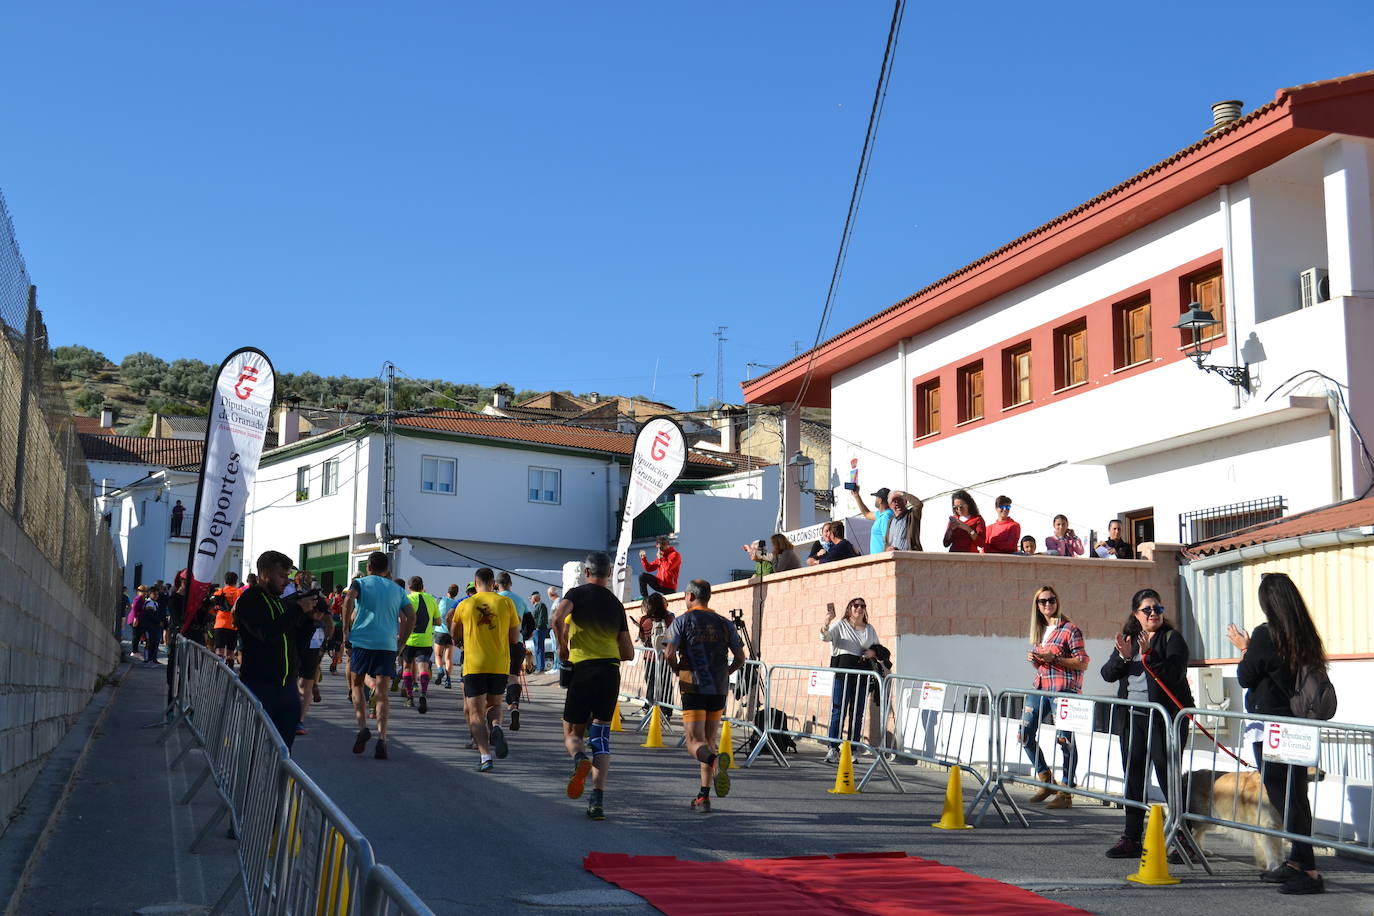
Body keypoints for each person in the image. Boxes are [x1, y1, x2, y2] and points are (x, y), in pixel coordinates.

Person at [1228, 573, 1328, 895]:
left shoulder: (1265, 635)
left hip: (1272, 728)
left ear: (1267, 603)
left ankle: (1308, 869)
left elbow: (1245, 676)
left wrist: (1245, 648)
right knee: (1296, 795)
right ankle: (1298, 862)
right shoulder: (1303, 634)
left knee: (1285, 798)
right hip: (1299, 725)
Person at [1100, 588, 1193, 859]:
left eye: (1158, 609)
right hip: (1133, 718)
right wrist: (1125, 656)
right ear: (1135, 614)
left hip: (1164, 719)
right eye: (1147, 610)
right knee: (1134, 777)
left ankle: (1186, 839)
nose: (1154, 614)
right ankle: (1131, 838)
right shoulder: (1129, 640)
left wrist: (1150, 654)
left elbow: (1174, 676)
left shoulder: (1171, 639)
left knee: (1169, 779)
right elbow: (1107, 674)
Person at [554, 551, 634, 820]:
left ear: (586, 572)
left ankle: (579, 760)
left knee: (572, 734)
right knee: (600, 738)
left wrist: (563, 647)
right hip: (610, 672)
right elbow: (628, 652)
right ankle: (597, 801)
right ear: (609, 574)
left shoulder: (576, 594)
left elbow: (556, 619)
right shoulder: (616, 604)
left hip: (583, 670)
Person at [234, 550, 333, 751]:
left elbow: (295, 643)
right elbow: (267, 634)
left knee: (283, 752)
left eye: (288, 576)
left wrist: (310, 621)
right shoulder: (250, 600)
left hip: (287, 687)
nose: (287, 581)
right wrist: (298, 610)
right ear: (264, 574)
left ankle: (275, 783)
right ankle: (251, 781)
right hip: (261, 687)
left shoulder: (280, 603)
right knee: (253, 749)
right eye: (282, 575)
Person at [663, 579, 745, 811]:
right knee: (708, 741)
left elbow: (669, 653)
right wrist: (725, 673)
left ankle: (714, 761)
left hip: (694, 685)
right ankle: (704, 795)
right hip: (718, 687)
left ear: (690, 596)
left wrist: (677, 669)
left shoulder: (681, 621)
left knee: (693, 742)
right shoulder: (724, 623)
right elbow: (740, 659)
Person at [1019, 586, 1089, 809]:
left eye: (1051, 600)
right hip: (1040, 687)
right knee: (1024, 734)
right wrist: (1036, 660)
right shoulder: (1039, 631)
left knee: (1064, 739)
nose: (1047, 604)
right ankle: (1046, 780)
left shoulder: (1070, 630)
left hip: (1064, 690)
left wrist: (1054, 658)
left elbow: (1083, 661)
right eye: (1042, 602)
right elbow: (1043, 666)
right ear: (1037, 606)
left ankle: (1066, 791)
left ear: (1057, 602)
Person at [344, 551, 415, 760]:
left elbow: (348, 598)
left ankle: (363, 726)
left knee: (356, 684)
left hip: (362, 641)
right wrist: (401, 643)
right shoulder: (397, 589)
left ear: (369, 566)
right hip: (387, 644)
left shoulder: (360, 583)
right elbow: (411, 616)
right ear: (387, 569)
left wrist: (346, 629)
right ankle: (382, 738)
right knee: (383, 693)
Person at [449, 568, 520, 771]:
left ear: (475, 582)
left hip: (474, 664)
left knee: (475, 713)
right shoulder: (507, 603)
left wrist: (463, 637)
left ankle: (485, 757)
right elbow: (514, 638)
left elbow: (454, 632)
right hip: (499, 663)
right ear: (493, 583)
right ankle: (496, 726)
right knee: (495, 705)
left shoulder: (465, 604)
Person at [820, 598, 879, 763]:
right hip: (843, 672)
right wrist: (827, 621)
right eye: (856, 605)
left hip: (862, 673)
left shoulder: (869, 629)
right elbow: (825, 637)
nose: (859, 608)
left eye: (862, 606)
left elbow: (877, 647)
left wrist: (872, 653)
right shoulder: (841, 625)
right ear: (849, 608)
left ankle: (853, 749)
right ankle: (833, 747)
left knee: (857, 712)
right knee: (838, 710)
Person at [291, 571, 331, 735]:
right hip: (302, 644)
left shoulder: (311, 599)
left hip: (309, 645)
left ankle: (299, 720)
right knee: (302, 684)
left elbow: (329, 623)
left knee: (302, 683)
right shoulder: (294, 598)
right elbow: (330, 625)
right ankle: (297, 719)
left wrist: (323, 645)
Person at [634, 593, 676, 714]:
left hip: (649, 657)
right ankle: (666, 711)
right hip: (665, 657)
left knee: (651, 682)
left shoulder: (644, 620)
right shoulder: (669, 618)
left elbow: (642, 637)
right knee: (666, 684)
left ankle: (649, 707)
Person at [402, 576, 438, 714]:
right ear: (423, 586)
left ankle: (410, 697)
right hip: (426, 640)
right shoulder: (431, 599)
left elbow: (403, 619)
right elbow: (438, 621)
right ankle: (423, 693)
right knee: (423, 668)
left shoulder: (407, 599)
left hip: (410, 639)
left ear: (409, 587)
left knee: (407, 667)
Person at [850, 486, 893, 555]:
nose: (875, 500)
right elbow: (867, 514)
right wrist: (856, 496)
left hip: (881, 558)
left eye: (876, 497)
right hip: (879, 558)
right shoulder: (881, 514)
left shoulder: (886, 516)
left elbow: (887, 539)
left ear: (880, 500)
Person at [213, 573, 243, 669]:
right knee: (230, 651)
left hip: (220, 624)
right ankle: (229, 671)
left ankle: (218, 671)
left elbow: (213, 609)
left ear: (225, 581)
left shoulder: (219, 592)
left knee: (219, 650)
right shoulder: (239, 592)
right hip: (233, 625)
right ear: (236, 581)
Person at [433, 584, 459, 687]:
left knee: (438, 655)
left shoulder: (440, 600)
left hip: (439, 631)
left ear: (447, 592)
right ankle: (448, 679)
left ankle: (440, 670)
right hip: (450, 633)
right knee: (448, 658)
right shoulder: (457, 604)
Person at [136, 587, 166, 665]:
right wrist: (159, 621)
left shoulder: (155, 603)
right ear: (150, 594)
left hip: (154, 627)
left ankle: (153, 658)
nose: (156, 596)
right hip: (149, 626)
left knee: (155, 642)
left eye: (157, 594)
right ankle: (147, 658)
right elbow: (151, 615)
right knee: (149, 642)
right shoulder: (149, 603)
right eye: (155, 594)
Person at [529, 590, 551, 673]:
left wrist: (537, 627)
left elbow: (541, 618)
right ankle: (539, 667)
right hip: (536, 630)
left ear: (535, 598)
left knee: (539, 648)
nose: (530, 600)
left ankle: (540, 668)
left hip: (539, 630)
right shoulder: (537, 606)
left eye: (531, 598)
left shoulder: (541, 605)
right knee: (537, 649)